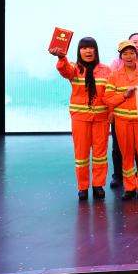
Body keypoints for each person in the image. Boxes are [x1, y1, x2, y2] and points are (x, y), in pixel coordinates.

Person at [51, 37, 111, 201]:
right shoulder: (74, 68)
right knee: (81, 154)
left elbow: (110, 93)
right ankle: (83, 187)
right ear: (79, 51)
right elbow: (64, 70)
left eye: (91, 48)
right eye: (84, 48)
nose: (88, 51)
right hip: (80, 118)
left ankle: (98, 185)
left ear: (96, 50)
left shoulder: (106, 70)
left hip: (101, 118)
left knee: (100, 154)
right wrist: (61, 57)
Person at [104, 39, 138, 201]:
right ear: (121, 57)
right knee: (126, 155)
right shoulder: (113, 76)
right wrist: (124, 95)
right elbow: (108, 99)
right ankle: (130, 186)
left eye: (132, 53)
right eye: (125, 54)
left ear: (137, 56)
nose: (129, 56)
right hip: (122, 122)